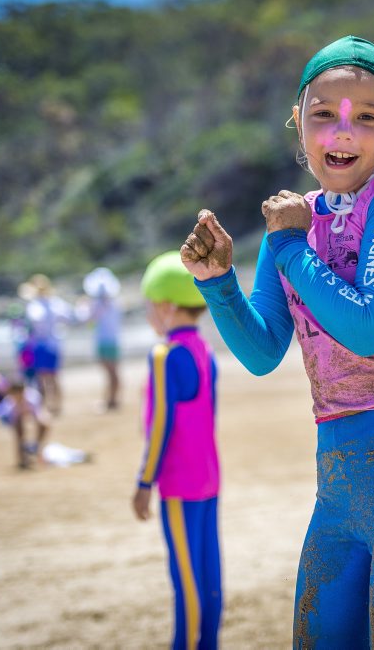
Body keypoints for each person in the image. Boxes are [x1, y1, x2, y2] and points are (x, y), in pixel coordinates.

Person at [181, 35, 374, 647]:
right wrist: (217, 284)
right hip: (339, 488)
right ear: (298, 122)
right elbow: (264, 353)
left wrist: (292, 246)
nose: (343, 132)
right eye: (324, 114)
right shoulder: (289, 227)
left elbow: (368, 328)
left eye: (367, 118)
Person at [132, 251, 222, 649]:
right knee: (208, 573)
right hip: (208, 476)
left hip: (179, 482)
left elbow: (160, 426)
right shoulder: (205, 351)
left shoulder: (165, 355)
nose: (150, 315)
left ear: (166, 306)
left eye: (150, 307)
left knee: (185, 576)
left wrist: (144, 480)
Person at [19, 274, 73, 416]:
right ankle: (55, 405)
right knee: (52, 377)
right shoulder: (55, 303)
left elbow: (33, 324)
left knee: (43, 377)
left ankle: (46, 405)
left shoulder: (35, 306)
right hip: (53, 343)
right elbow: (68, 318)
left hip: (41, 344)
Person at [81, 267, 122, 411]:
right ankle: (113, 398)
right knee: (113, 371)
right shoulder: (114, 302)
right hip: (113, 339)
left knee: (110, 372)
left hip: (103, 340)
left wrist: (83, 306)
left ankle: (110, 400)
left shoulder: (98, 304)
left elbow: (88, 320)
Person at [0, 381, 50, 470]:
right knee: (19, 433)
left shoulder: (33, 398)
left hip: (28, 410)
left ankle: (35, 447)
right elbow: (10, 421)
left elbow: (38, 417)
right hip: (13, 415)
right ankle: (22, 459)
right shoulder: (9, 403)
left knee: (44, 425)